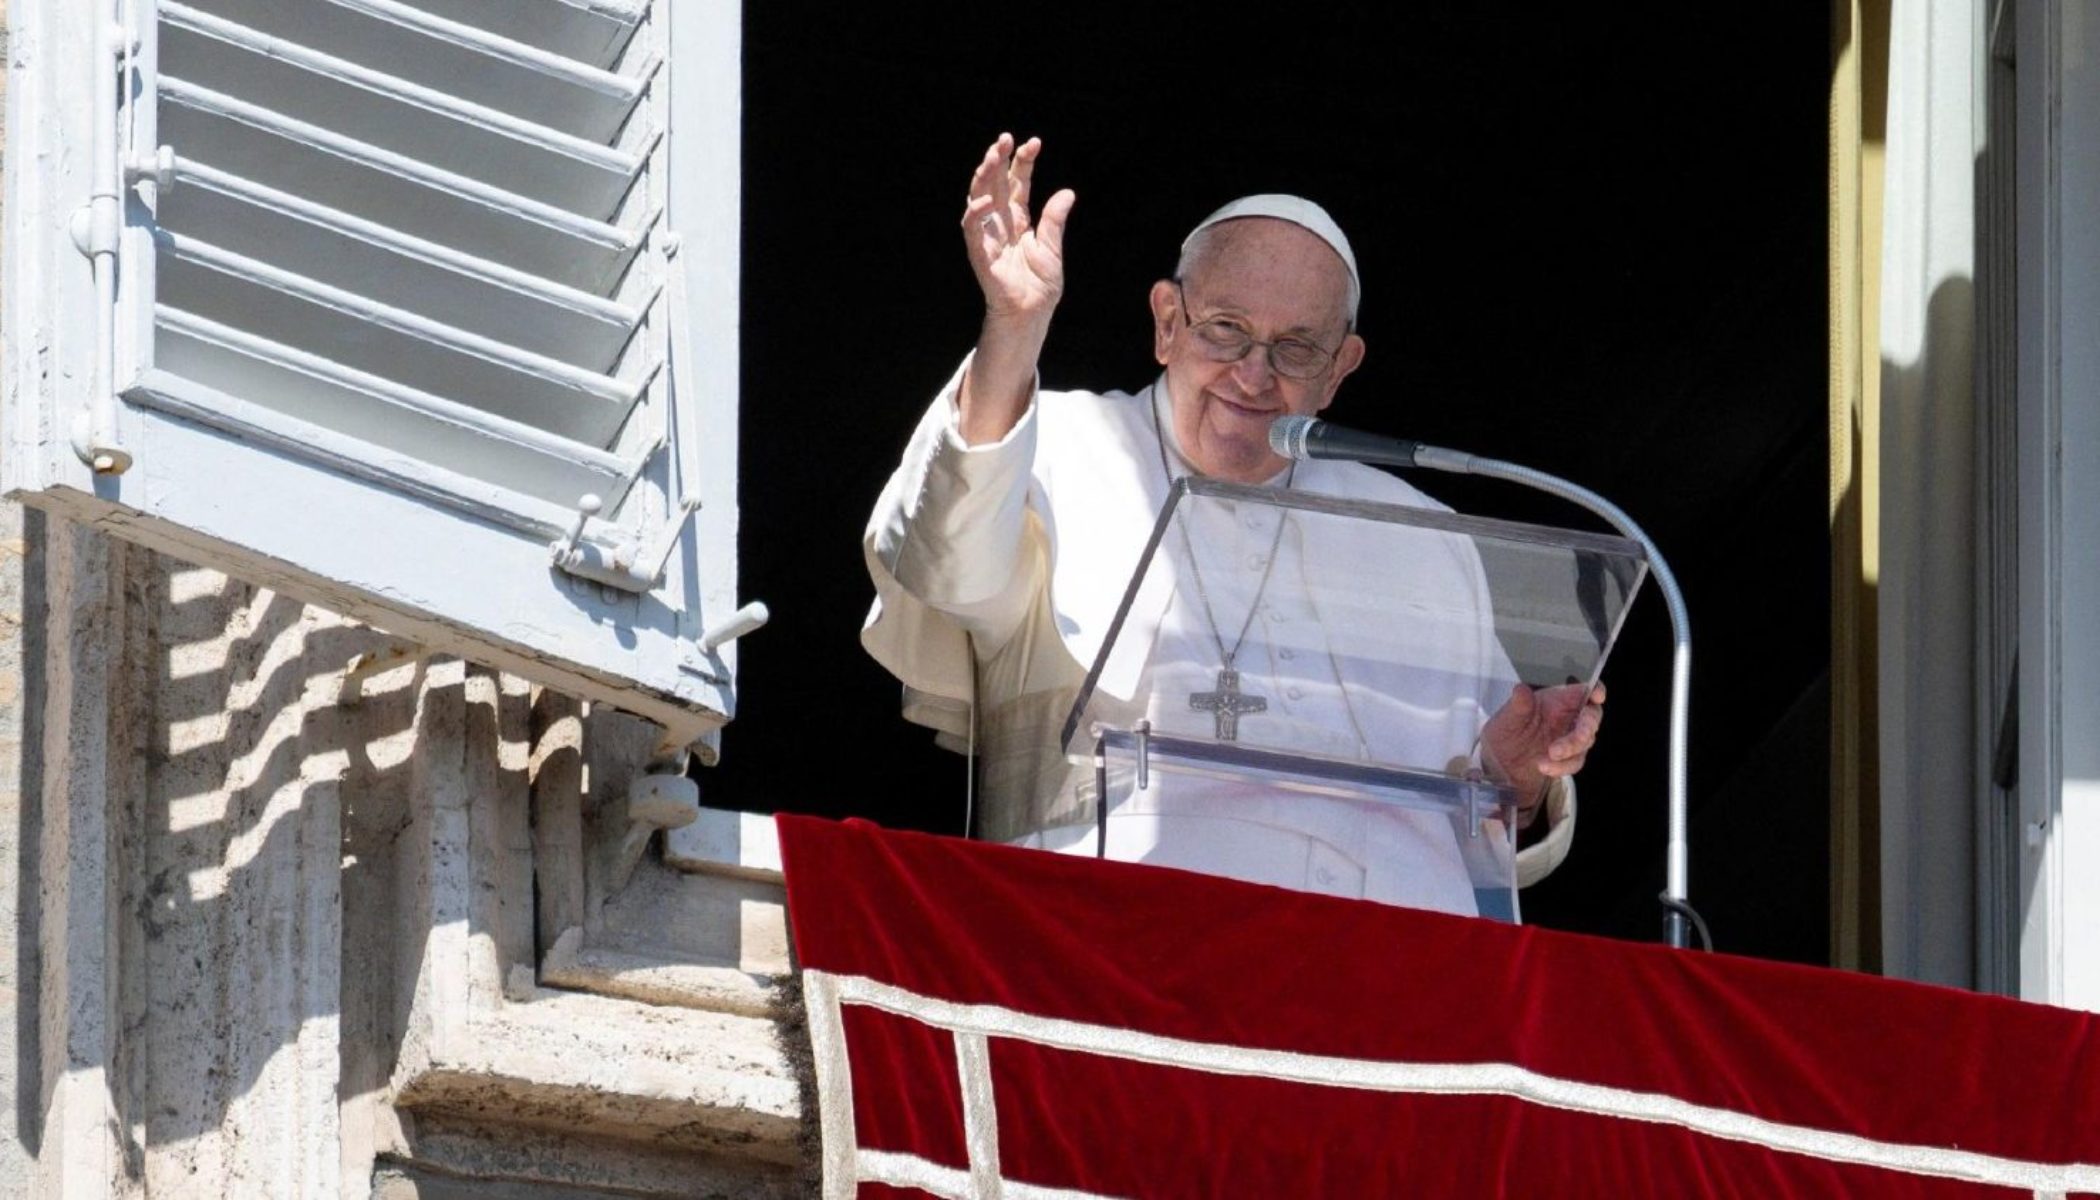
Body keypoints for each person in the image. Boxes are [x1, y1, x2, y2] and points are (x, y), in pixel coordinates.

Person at [862, 134, 1605, 915]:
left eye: (1295, 348)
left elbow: (1486, 806)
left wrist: (1519, 770)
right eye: (1225, 329)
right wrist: (1012, 328)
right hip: (1109, 941)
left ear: (1341, 368)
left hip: (1398, 977)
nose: (1254, 376)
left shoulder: (1421, 533)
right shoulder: (1054, 444)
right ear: (1167, 322)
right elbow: (944, 567)